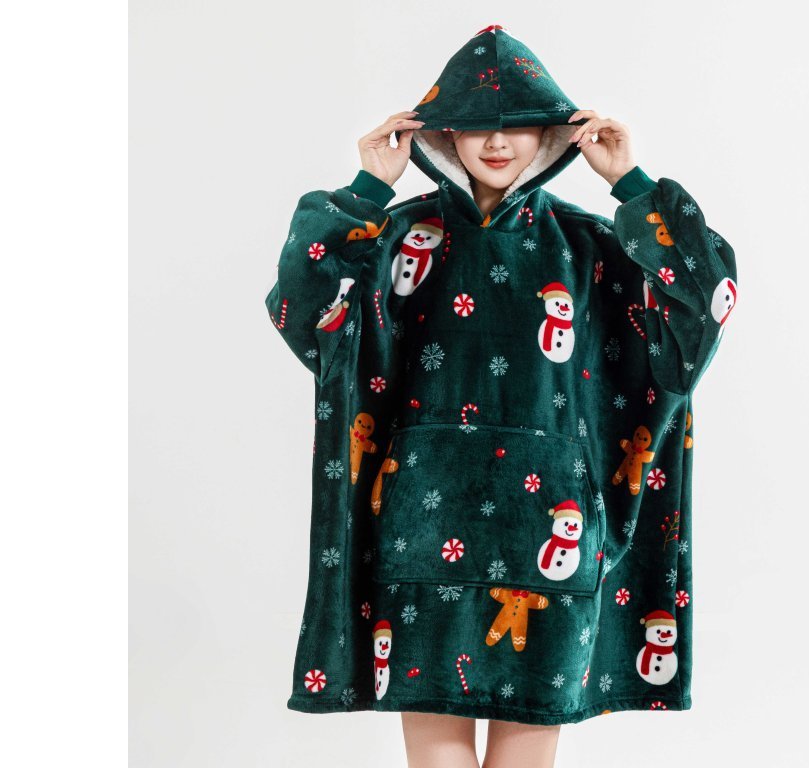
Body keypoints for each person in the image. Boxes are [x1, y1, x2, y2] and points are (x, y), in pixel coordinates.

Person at [264, 24, 738, 768]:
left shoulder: (592, 246)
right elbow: (301, 307)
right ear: (442, 131)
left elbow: (703, 307)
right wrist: (366, 190)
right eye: (475, 123)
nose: (495, 142)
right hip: (421, 534)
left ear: (550, 134)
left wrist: (632, 185)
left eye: (517, 124)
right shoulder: (393, 237)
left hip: (551, 542)